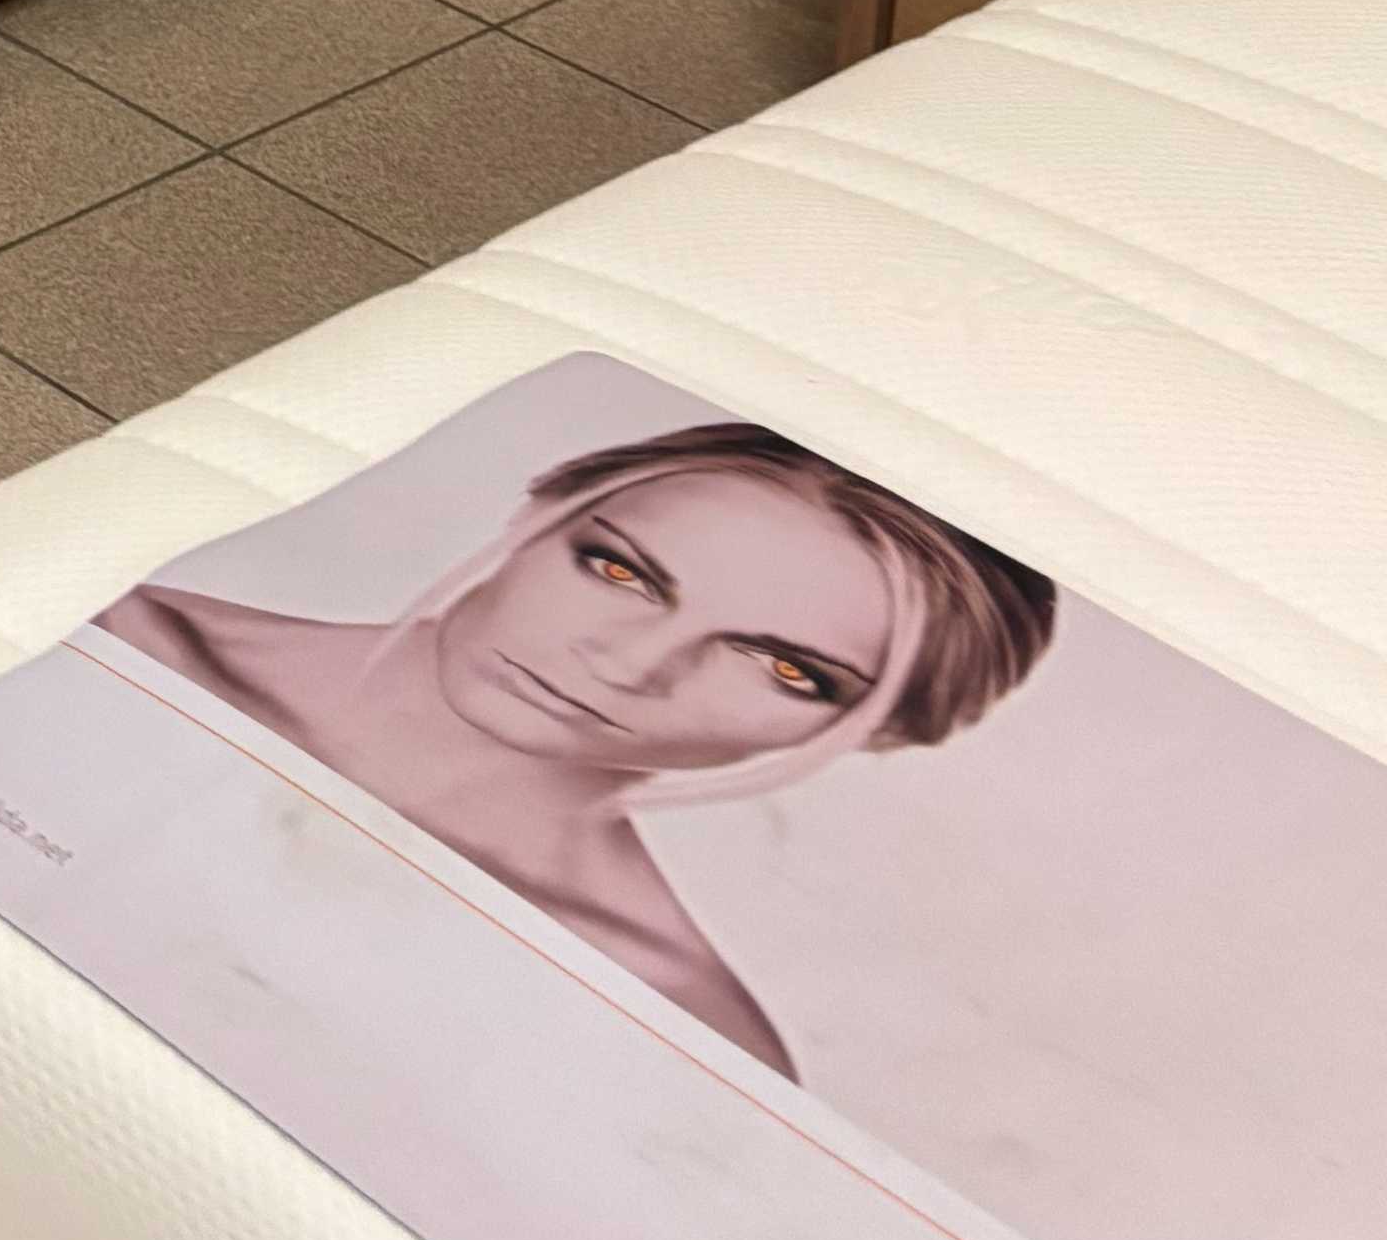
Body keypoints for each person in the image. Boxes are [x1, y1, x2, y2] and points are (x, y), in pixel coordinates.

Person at [99, 420, 1058, 1074]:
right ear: (536, 514)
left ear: (882, 733)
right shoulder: (106, 624)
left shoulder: (674, 1025)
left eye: (785, 668)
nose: (632, 664)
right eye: (621, 572)